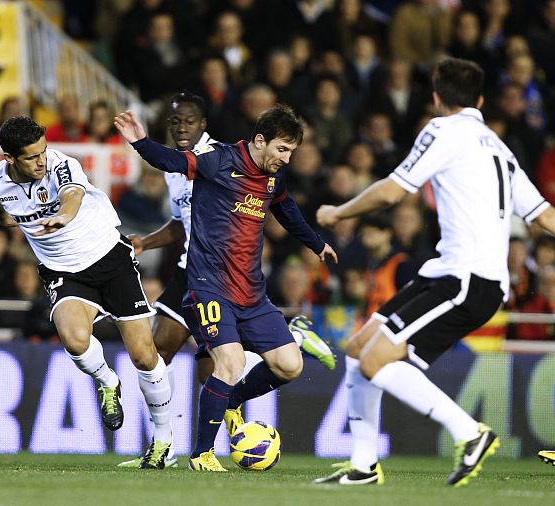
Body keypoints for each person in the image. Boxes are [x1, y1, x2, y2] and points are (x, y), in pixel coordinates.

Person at [313, 57, 555, 487]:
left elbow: (392, 190)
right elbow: (544, 215)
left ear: (437, 97)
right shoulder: (499, 147)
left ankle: (470, 432)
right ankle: (363, 466)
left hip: (466, 279)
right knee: (358, 349)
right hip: (447, 273)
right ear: (480, 99)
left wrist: (337, 212)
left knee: (375, 361)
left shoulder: (443, 129)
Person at [115, 104, 337, 472]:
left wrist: (315, 243)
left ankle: (230, 401)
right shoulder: (218, 160)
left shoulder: (272, 178)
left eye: (292, 152)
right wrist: (140, 140)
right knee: (229, 362)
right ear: (261, 141)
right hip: (208, 287)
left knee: (289, 365)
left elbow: (286, 210)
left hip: (251, 293)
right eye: (282, 149)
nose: (286, 158)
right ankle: (201, 454)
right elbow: (171, 160)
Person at [0, 115, 172, 469]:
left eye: (43, 151)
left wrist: (63, 217)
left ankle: (163, 442)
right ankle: (107, 381)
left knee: (145, 356)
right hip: (63, 270)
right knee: (73, 338)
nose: (42, 160)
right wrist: (12, 221)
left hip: (109, 260)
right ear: (9, 158)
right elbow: (3, 214)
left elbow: (72, 195)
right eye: (31, 157)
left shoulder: (61, 166)